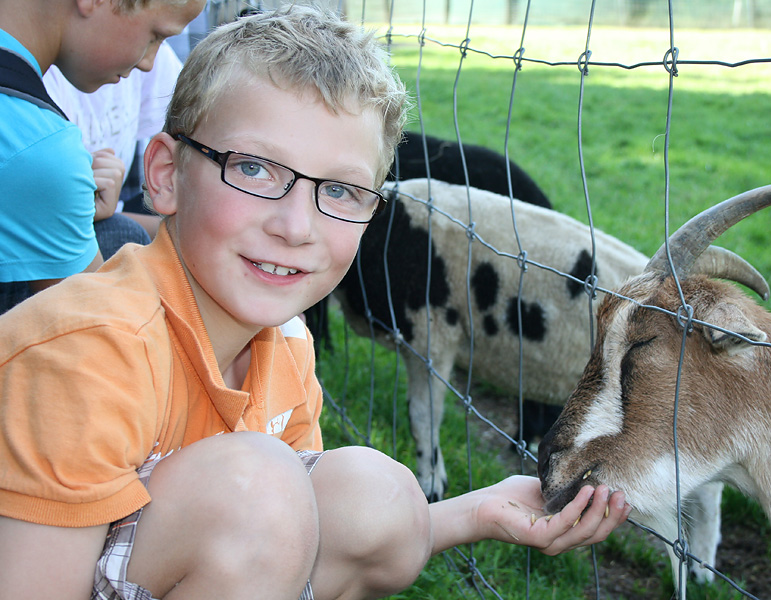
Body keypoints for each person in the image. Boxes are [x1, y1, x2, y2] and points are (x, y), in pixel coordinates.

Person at [0, 6, 631, 600]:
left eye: (342, 189)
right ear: (164, 174)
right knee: (261, 489)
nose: (296, 225)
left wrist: (477, 512)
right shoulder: (84, 355)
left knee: (371, 494)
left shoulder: (286, 345)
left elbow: (305, 536)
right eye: (253, 169)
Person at [0, 0, 205, 314]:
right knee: (122, 238)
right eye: (154, 36)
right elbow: (98, 338)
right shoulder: (42, 150)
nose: (149, 63)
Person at [43, 42, 185, 241]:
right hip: (64, 227)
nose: (148, 63)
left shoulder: (153, 59)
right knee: (121, 233)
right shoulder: (44, 83)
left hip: (113, 209)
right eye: (153, 37)